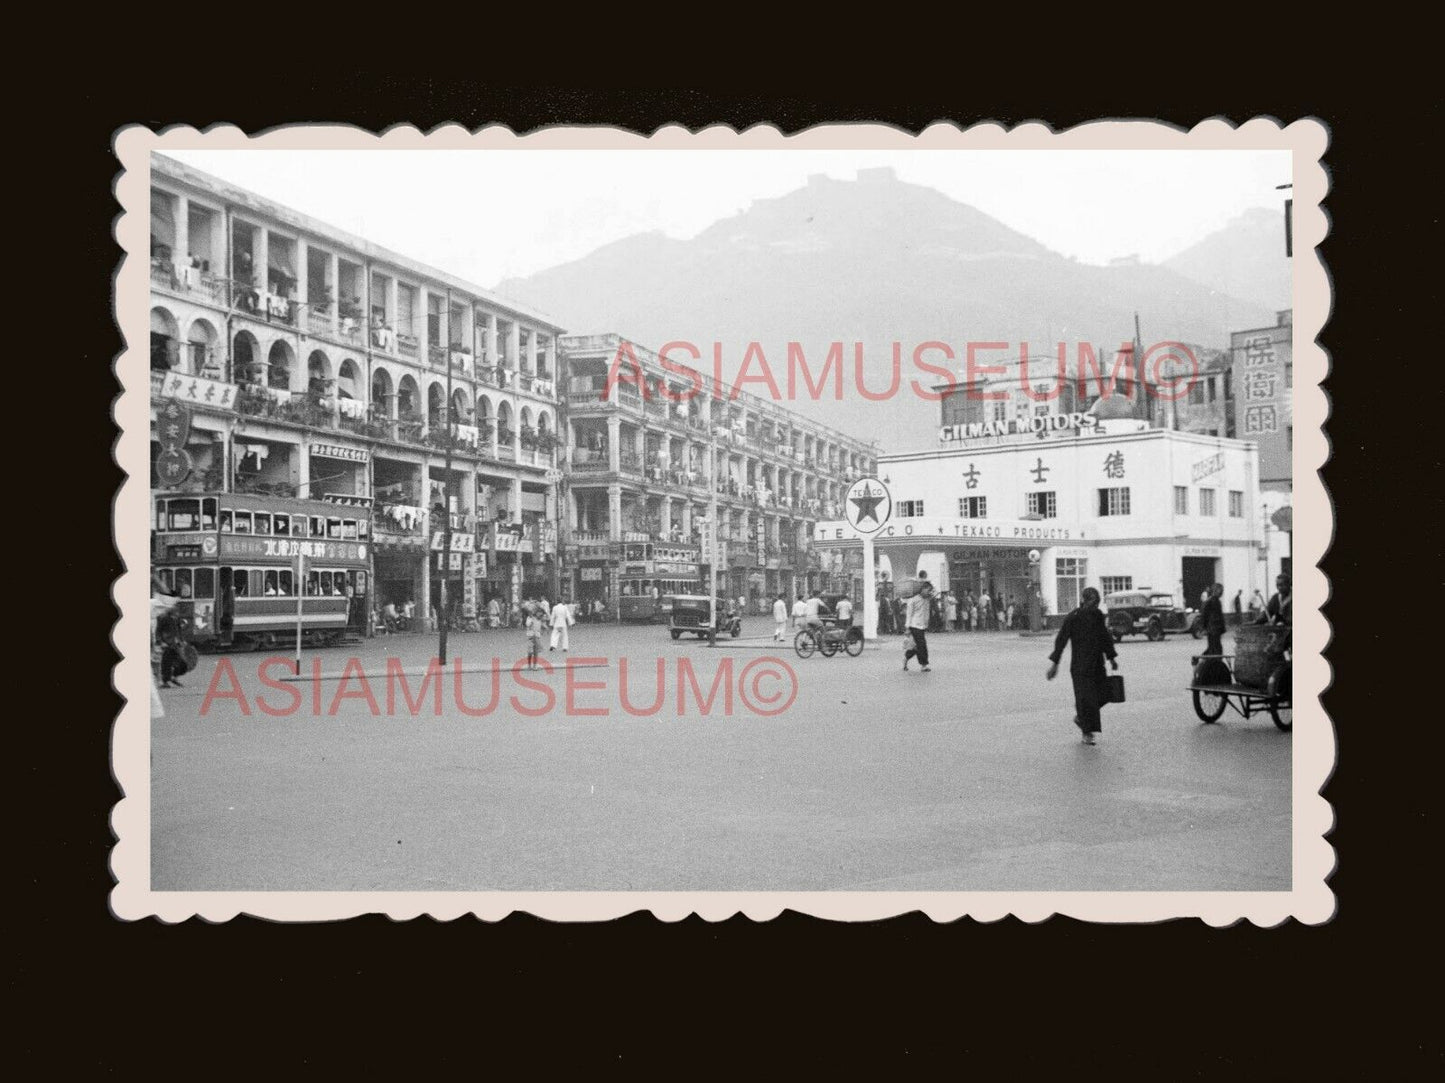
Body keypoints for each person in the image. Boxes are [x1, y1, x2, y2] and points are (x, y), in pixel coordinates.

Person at [1046, 586, 1119, 745]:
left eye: (1098, 603)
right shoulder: (1073, 617)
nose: (1096, 606)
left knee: (1104, 694)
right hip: (1080, 667)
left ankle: (1081, 717)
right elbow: (1061, 640)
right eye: (1093, 603)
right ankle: (1087, 733)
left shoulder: (1098, 616)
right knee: (1086, 700)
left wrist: (1112, 658)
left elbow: (1105, 637)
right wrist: (1055, 664)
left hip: (1097, 664)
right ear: (1084, 601)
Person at [902, 572, 934, 672]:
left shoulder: (926, 599)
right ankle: (924, 665)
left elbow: (935, 592)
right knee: (922, 645)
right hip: (914, 625)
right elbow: (909, 614)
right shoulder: (913, 600)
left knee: (916, 646)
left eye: (930, 591)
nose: (929, 592)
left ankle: (906, 658)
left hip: (922, 626)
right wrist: (907, 627)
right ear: (923, 589)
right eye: (928, 590)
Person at [1200, 582, 1226, 657]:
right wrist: (1204, 628)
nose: (1222, 592)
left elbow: (1220, 616)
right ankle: (1203, 662)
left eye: (1222, 591)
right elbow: (1204, 615)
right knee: (1215, 649)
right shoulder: (1209, 601)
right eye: (1220, 590)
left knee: (1215, 648)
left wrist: (1222, 628)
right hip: (1212, 629)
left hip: (1216, 629)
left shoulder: (1217, 601)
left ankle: (1205, 661)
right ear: (1214, 590)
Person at [524, 604, 544, 670]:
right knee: (529, 652)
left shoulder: (539, 619)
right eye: (539, 613)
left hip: (537, 637)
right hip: (530, 636)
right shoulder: (530, 618)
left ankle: (535, 665)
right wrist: (531, 621)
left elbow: (539, 627)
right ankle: (529, 665)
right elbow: (527, 624)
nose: (540, 614)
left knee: (536, 652)